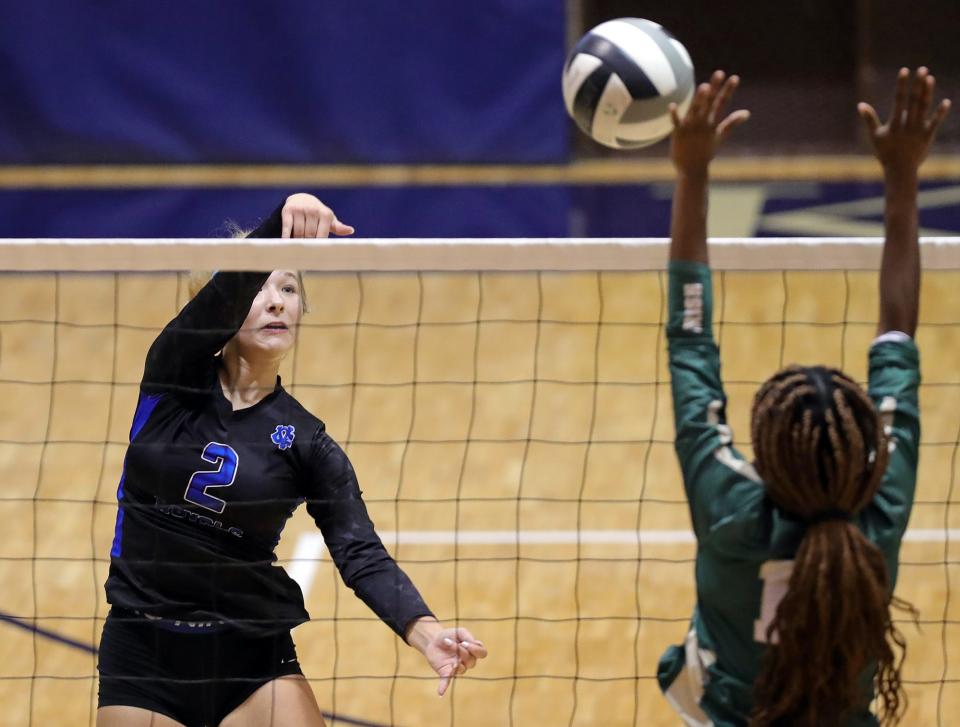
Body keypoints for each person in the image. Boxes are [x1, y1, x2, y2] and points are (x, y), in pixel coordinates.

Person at [97, 194, 487, 727]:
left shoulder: (307, 442)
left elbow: (361, 553)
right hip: (143, 652)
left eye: (290, 289)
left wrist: (425, 631)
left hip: (252, 657)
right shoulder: (170, 379)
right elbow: (219, 299)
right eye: (259, 287)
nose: (278, 301)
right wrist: (283, 221)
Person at [656, 68, 950, 726]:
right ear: (863, 451)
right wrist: (903, 176)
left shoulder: (732, 507)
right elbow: (897, 329)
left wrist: (691, 172)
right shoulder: (880, 513)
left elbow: (689, 339)